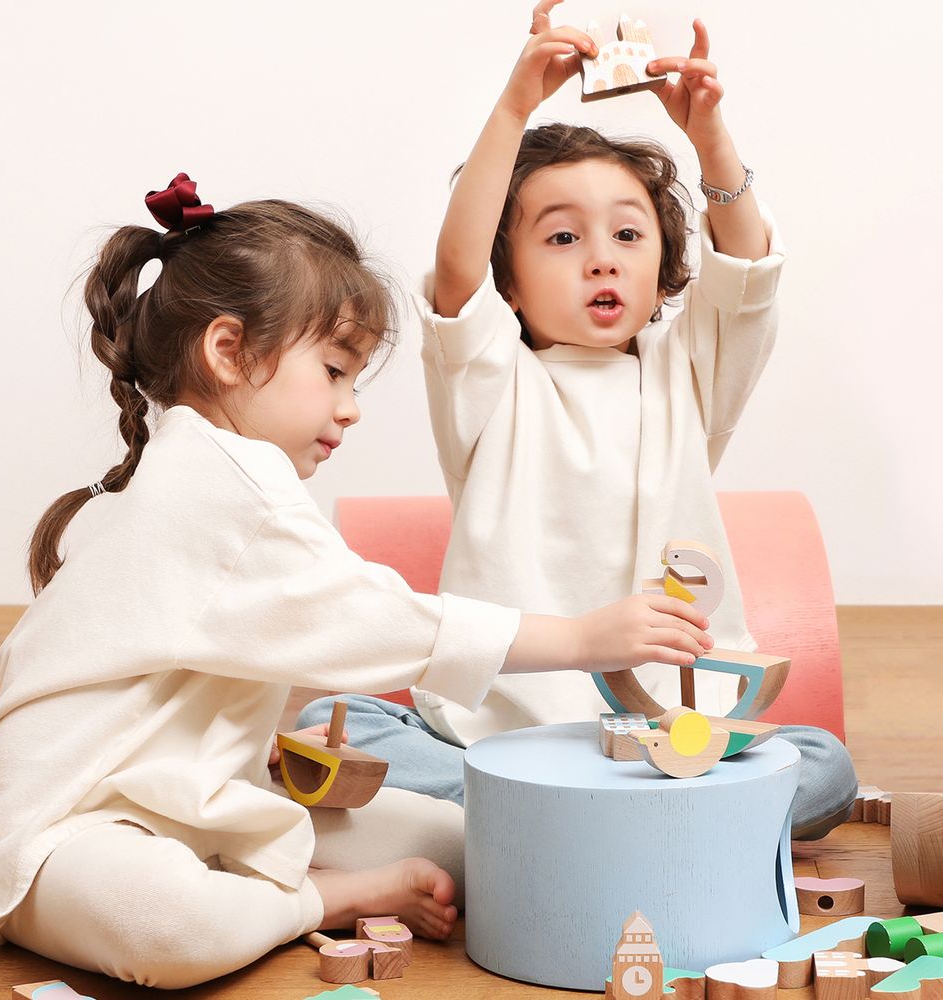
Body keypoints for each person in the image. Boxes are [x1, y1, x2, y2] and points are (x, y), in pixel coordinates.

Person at [0, 174, 715, 989]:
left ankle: (270, 881)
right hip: (72, 833)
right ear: (227, 352)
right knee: (175, 928)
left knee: (467, 843)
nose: (350, 408)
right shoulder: (218, 486)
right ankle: (311, 902)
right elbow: (370, 617)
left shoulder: (230, 472)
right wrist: (575, 640)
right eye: (334, 371)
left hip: (203, 803)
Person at [299, 2, 856, 840]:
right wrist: (515, 106)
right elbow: (455, 268)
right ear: (510, 286)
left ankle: (572, 821)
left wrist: (710, 141)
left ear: (666, 269)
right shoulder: (492, 382)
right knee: (338, 718)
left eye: (628, 234)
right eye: (561, 238)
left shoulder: (688, 378)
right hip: (502, 733)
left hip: (679, 729)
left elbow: (745, 269)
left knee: (826, 766)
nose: (600, 255)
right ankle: (645, 823)